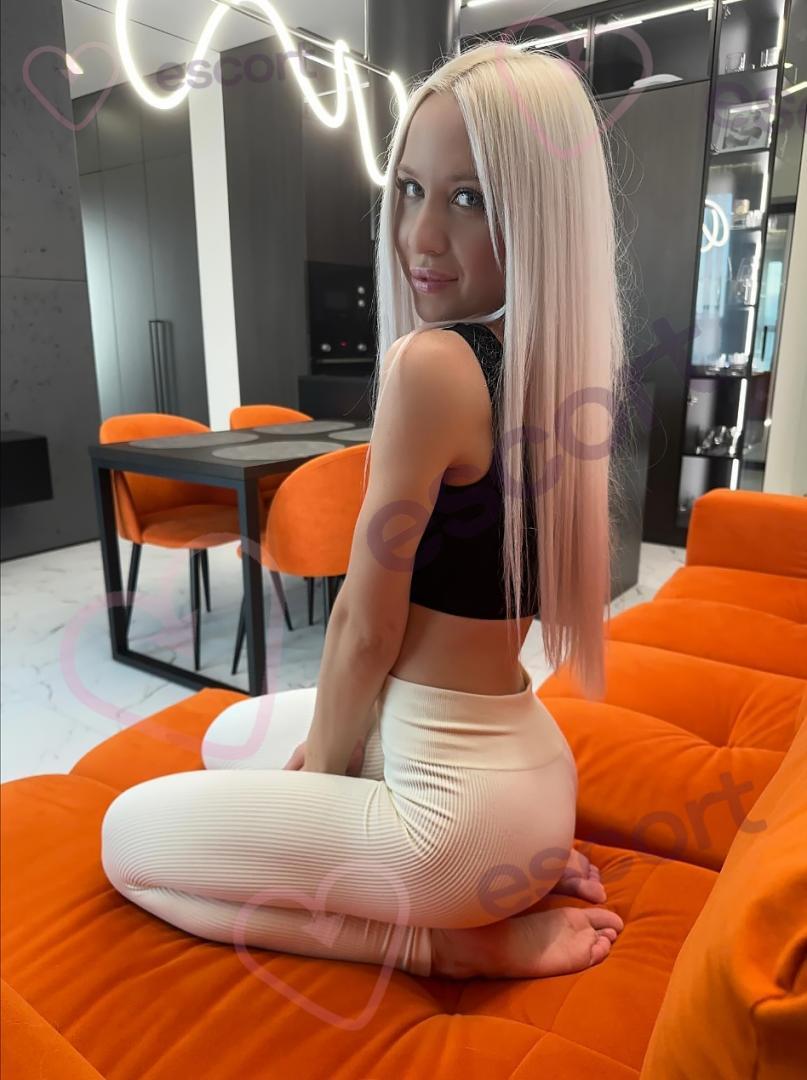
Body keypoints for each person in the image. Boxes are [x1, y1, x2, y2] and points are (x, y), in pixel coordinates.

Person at [101, 40, 632, 980]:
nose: (420, 236)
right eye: (411, 190)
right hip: (525, 775)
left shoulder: (433, 363)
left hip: (453, 824)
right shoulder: (556, 371)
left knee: (126, 842)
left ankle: (444, 947)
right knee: (225, 738)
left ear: (537, 214)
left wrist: (324, 782)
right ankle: (507, 869)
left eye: (468, 199)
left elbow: (361, 630)